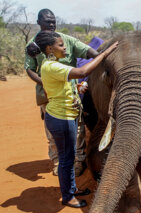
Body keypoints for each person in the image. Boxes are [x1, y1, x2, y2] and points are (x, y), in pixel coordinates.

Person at [26, 31, 118, 208]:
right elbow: (83, 70)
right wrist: (105, 53)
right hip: (62, 118)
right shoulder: (52, 66)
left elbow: (56, 85)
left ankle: (72, 188)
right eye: (61, 45)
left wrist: (76, 87)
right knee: (67, 159)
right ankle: (68, 197)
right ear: (49, 48)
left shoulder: (53, 64)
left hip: (64, 114)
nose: (65, 47)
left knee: (70, 156)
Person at [24, 9, 99, 176]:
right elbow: (29, 69)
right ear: (39, 22)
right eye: (47, 21)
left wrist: (101, 55)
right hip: (47, 95)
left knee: (77, 127)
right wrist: (47, 82)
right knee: (53, 131)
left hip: (70, 93)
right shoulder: (33, 45)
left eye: (53, 21)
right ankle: (57, 161)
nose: (51, 24)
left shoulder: (65, 40)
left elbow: (88, 51)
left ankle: (78, 160)